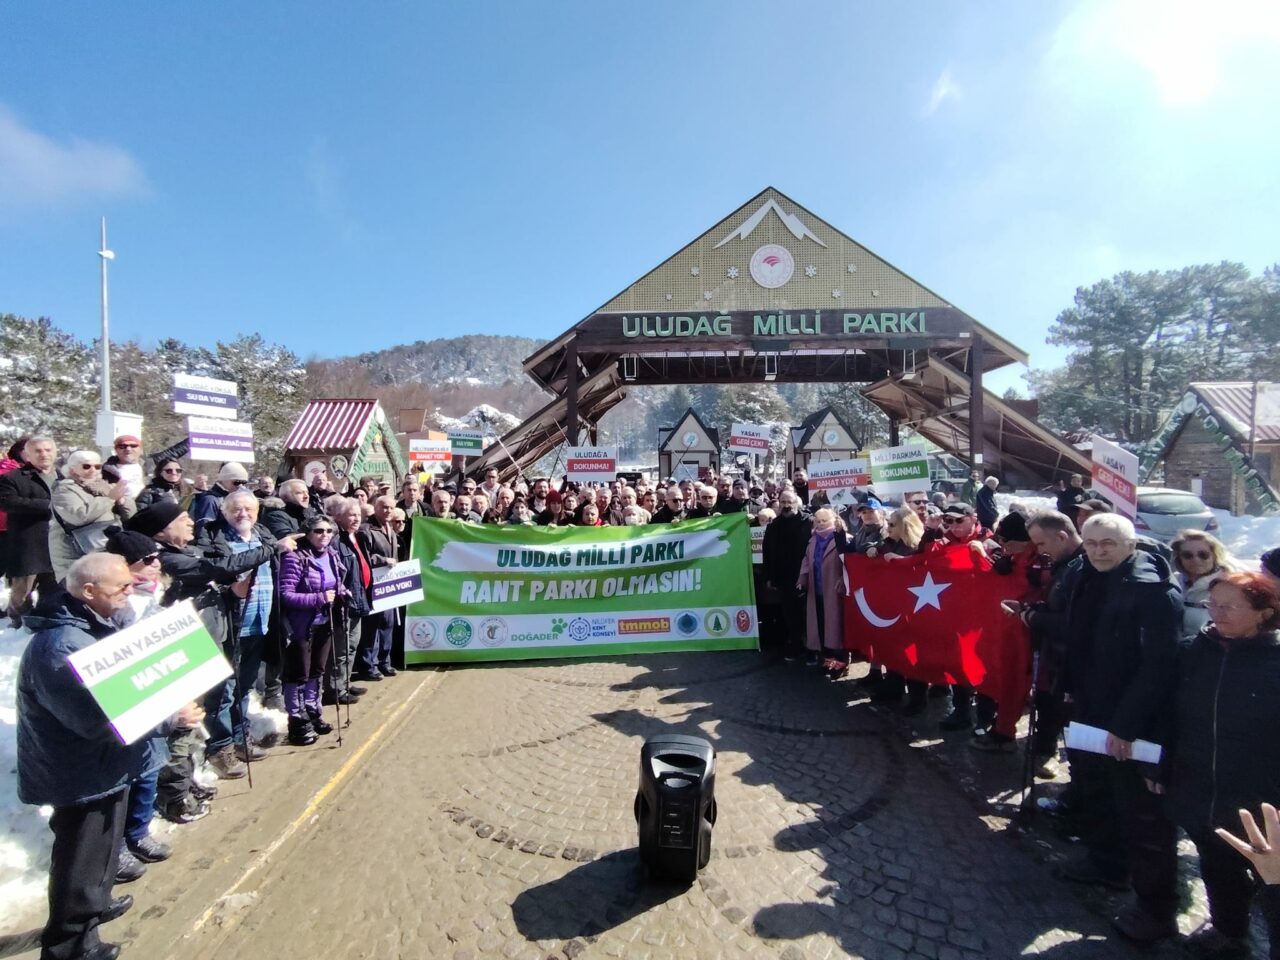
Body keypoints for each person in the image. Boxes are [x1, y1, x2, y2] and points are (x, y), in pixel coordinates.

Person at [17, 554, 198, 960]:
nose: (130, 592)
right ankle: (71, 945)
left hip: (103, 766)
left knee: (98, 857)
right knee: (81, 861)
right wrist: (171, 718)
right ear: (87, 592)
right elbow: (98, 719)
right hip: (79, 772)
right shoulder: (60, 646)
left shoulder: (93, 627)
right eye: (122, 588)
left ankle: (92, 908)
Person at [1059, 513, 1182, 944]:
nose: (1097, 550)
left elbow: (1159, 668)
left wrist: (1127, 726)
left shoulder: (1153, 592)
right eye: (1091, 542)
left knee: (1142, 816)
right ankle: (1106, 862)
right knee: (1096, 789)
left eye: (1108, 542)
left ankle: (1156, 909)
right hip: (1092, 707)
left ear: (1131, 544)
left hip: (1133, 721)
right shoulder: (1087, 577)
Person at [1161, 571, 1280, 958]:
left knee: (1270, 879)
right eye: (1213, 604)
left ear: (1264, 612)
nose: (1217, 613)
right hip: (1200, 787)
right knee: (1216, 865)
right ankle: (1229, 931)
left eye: (1230, 606)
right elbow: (1170, 714)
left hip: (1261, 796)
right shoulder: (1198, 649)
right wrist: (1160, 767)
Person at [129, 501, 283, 780]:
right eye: (183, 519)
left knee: (232, 689)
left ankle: (235, 739)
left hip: (219, 629)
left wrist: (231, 591)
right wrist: (271, 548)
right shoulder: (168, 558)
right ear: (161, 532)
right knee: (215, 698)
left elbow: (214, 582)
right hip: (193, 642)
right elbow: (214, 569)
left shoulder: (189, 549)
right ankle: (214, 752)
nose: (192, 523)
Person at [197, 490, 292, 764]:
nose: (243, 514)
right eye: (236, 509)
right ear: (225, 512)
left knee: (244, 687)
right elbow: (212, 574)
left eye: (249, 509)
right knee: (223, 692)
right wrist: (230, 590)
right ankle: (220, 747)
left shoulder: (263, 536)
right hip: (231, 626)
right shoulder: (215, 539)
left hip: (260, 624)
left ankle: (241, 738)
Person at [1021, 512, 1086, 776]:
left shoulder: (1081, 567)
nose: (1039, 551)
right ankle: (1046, 750)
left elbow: (1075, 621)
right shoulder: (1065, 564)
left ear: (1061, 536)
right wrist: (1033, 608)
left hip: (1073, 661)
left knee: (1070, 719)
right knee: (1048, 703)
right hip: (1055, 655)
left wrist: (1035, 618)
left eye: (1041, 544)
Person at [276, 514, 346, 745]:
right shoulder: (294, 557)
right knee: (298, 674)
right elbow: (285, 595)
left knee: (317, 670)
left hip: (325, 621)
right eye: (318, 531)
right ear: (307, 533)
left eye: (328, 531)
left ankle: (313, 711)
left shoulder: (332, 556)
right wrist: (319, 597)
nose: (324, 535)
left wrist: (342, 591)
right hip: (300, 626)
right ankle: (297, 721)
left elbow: (333, 583)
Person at [49, 450, 137, 583]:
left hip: (104, 549)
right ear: (72, 470)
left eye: (97, 467)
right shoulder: (64, 489)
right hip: (75, 556)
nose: (92, 470)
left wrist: (122, 501)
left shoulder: (105, 487)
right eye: (86, 466)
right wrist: (110, 499)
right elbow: (78, 516)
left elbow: (130, 516)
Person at [1, 437, 60, 626]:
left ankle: (48, 619)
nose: (44, 454)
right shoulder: (12, 478)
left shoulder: (63, 477)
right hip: (28, 543)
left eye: (48, 450)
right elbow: (9, 502)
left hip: (57, 542)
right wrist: (49, 506)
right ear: (27, 455)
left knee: (54, 588)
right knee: (23, 590)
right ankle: (17, 623)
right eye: (38, 451)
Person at [326, 497, 371, 706]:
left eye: (358, 515)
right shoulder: (336, 541)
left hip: (359, 600)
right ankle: (335, 689)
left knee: (352, 646)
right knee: (342, 649)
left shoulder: (356, 537)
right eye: (351, 515)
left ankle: (344, 682)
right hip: (345, 603)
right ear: (339, 517)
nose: (355, 519)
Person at [763, 491, 813, 663]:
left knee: (808, 614)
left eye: (789, 502)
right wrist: (769, 576)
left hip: (807, 576)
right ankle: (795, 646)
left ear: (797, 503)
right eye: (782, 502)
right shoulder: (773, 526)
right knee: (790, 614)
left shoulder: (809, 523)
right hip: (784, 578)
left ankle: (811, 649)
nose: (786, 505)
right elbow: (767, 553)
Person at [799, 508, 849, 676]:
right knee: (822, 626)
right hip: (817, 589)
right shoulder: (813, 540)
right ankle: (828, 660)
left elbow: (848, 563)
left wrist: (844, 579)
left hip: (834, 589)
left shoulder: (842, 538)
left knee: (836, 627)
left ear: (833, 520)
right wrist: (802, 578)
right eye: (818, 521)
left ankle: (841, 663)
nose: (820, 524)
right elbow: (807, 560)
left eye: (824, 521)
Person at [354, 496, 399, 681]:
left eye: (391, 508)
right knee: (372, 627)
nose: (387, 511)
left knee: (387, 624)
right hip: (372, 585)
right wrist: (382, 560)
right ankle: (368, 666)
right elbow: (363, 558)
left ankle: (384, 662)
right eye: (384, 507)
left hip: (389, 583)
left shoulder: (391, 529)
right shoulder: (366, 530)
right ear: (376, 508)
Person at [1170, 529, 1235, 640]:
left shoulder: (1229, 585)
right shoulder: (1173, 582)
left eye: (1203, 555)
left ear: (1214, 556)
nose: (1196, 560)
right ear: (1179, 558)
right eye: (1187, 555)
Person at [190, 462, 250, 531]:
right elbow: (204, 531)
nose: (240, 486)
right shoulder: (210, 500)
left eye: (244, 483)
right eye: (236, 482)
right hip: (216, 540)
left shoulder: (236, 498)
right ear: (223, 480)